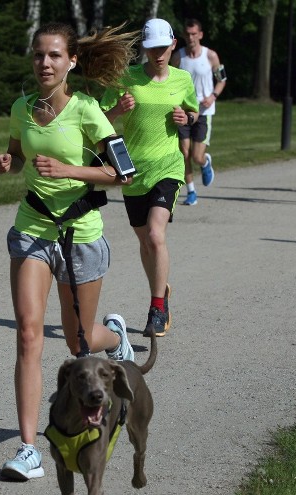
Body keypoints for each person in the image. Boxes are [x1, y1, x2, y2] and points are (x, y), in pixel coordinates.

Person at [0, 22, 139, 481]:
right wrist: (7, 162)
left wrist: (68, 168)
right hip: (33, 228)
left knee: (77, 342)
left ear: (71, 61)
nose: (45, 63)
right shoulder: (21, 107)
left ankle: (115, 338)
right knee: (28, 335)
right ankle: (30, 448)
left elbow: (124, 175)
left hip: (81, 234)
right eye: (39, 55)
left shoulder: (88, 111)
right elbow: (17, 153)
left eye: (54, 56)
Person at [100, 18, 199, 337]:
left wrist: (187, 117)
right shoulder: (125, 78)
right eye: (151, 48)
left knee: (156, 236)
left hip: (168, 166)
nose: (158, 54)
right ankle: (161, 289)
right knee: (145, 241)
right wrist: (117, 110)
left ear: (173, 45)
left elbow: (193, 112)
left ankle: (157, 307)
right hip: (132, 172)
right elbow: (98, 121)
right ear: (144, 48)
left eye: (163, 47)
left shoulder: (182, 79)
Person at [170, 18, 226, 206]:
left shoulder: (210, 56)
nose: (191, 37)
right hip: (184, 112)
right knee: (184, 153)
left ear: (200, 35)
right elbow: (170, 80)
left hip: (204, 112)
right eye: (187, 34)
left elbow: (222, 79)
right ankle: (191, 191)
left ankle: (204, 163)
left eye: (194, 34)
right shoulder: (178, 57)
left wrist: (213, 96)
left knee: (196, 155)